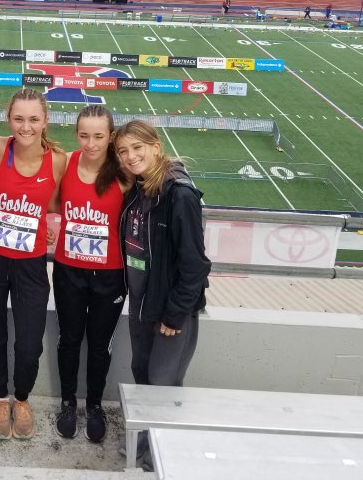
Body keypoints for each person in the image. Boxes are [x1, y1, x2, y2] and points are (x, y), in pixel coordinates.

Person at [114, 121, 211, 472]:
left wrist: (175, 314)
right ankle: (145, 442)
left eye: (137, 148)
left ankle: (163, 454)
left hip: (170, 311)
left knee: (162, 382)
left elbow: (195, 265)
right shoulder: (140, 188)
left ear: (156, 146)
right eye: (123, 151)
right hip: (142, 302)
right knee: (143, 372)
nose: (130, 156)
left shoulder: (178, 194)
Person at [0, 88, 67, 441]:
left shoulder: (58, 160)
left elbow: (56, 202)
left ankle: (22, 399)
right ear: (8, 119)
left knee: (29, 341)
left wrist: (42, 227)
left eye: (33, 119)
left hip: (30, 264)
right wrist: (11, 222)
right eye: (18, 119)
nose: (25, 127)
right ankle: (1, 398)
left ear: (45, 121)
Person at [51, 105, 127, 444]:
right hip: (69, 269)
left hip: (110, 275)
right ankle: (68, 402)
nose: (91, 143)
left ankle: (94, 405)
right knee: (69, 339)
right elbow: (49, 202)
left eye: (99, 136)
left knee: (99, 346)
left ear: (111, 136)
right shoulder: (65, 163)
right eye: (84, 135)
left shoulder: (124, 175)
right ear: (75, 134)